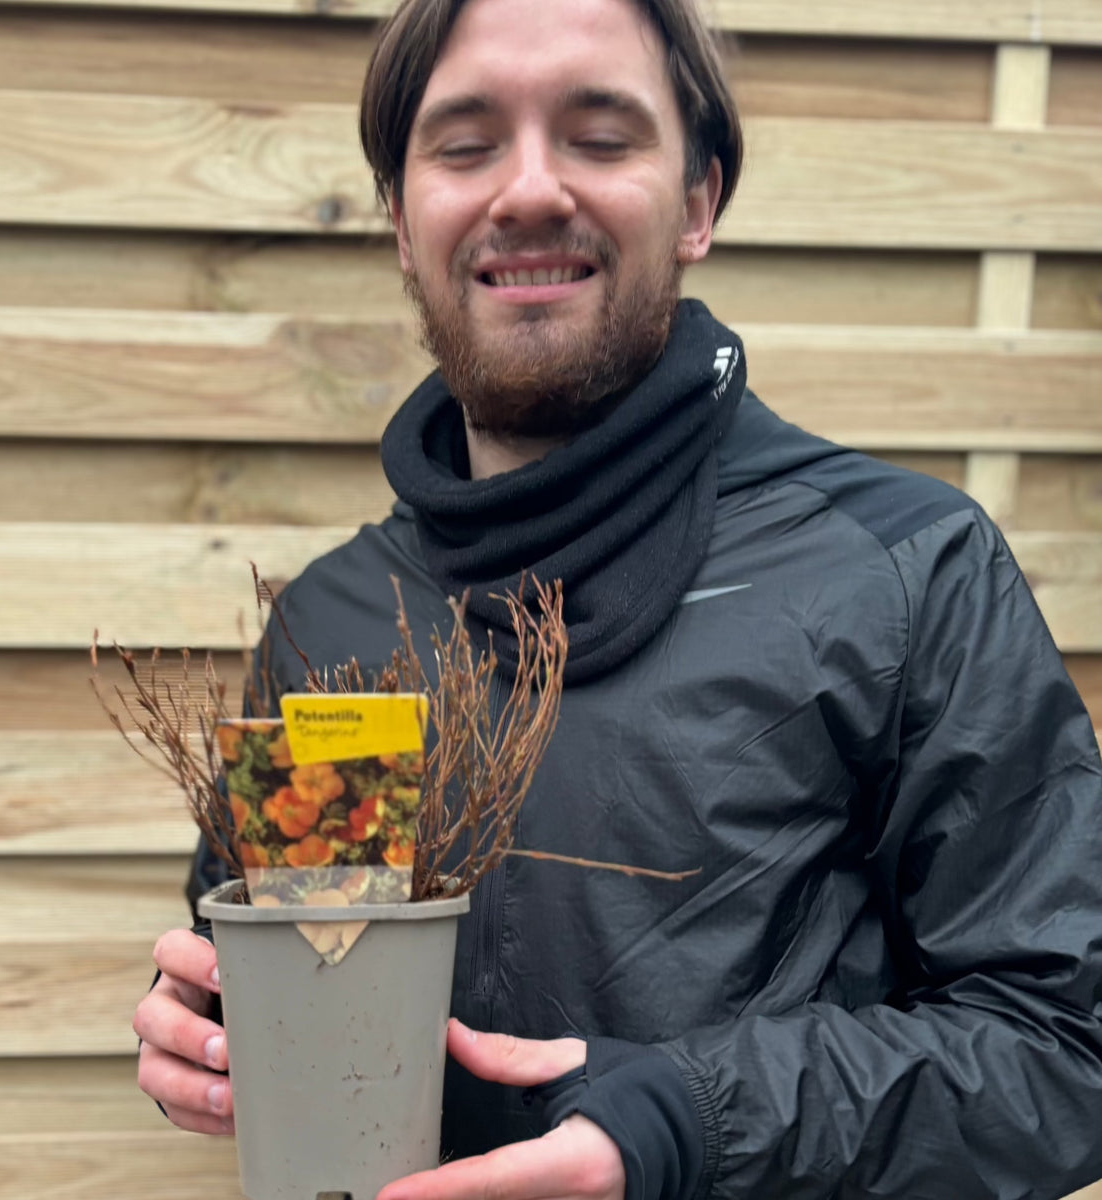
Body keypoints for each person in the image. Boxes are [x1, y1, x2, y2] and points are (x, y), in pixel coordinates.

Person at [132, 0, 1102, 1196]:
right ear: (399, 217)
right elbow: (285, 957)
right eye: (466, 141)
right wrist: (208, 1024)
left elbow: (1064, 1049)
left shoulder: (906, 573)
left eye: (599, 135)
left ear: (698, 202)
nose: (530, 190)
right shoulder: (331, 620)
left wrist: (690, 1125)